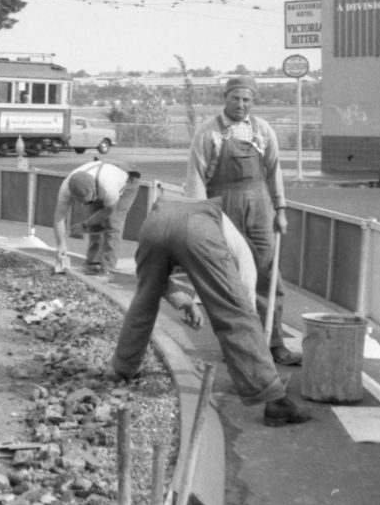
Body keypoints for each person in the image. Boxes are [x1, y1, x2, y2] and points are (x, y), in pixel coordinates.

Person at [107, 195, 311, 428]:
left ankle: (122, 368)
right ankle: (274, 400)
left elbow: (155, 279)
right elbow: (242, 300)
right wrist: (252, 331)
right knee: (234, 315)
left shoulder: (194, 209)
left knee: (144, 300)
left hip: (153, 224)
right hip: (197, 230)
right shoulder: (240, 247)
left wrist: (182, 301)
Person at [184, 74, 301, 366]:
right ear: (225, 98)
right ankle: (236, 347)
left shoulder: (262, 130)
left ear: (253, 101)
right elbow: (196, 177)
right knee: (230, 279)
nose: (240, 104)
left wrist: (281, 210)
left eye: (246, 99)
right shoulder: (208, 132)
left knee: (268, 275)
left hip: (260, 208)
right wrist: (201, 219)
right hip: (223, 208)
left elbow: (274, 170)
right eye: (235, 98)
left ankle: (274, 344)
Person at [52, 159, 141, 279]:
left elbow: (108, 212)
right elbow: (59, 217)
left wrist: (84, 225)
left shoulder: (108, 187)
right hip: (100, 181)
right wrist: (60, 244)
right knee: (94, 222)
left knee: (112, 224)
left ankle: (107, 270)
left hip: (128, 180)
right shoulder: (66, 187)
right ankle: (93, 263)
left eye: (87, 200)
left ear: (94, 190)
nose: (84, 204)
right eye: (80, 201)